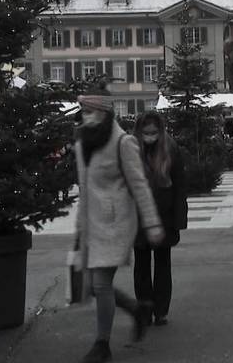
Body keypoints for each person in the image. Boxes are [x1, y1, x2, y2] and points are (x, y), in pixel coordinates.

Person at [74, 95, 165, 363]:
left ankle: (102, 344)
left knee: (100, 284)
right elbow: (84, 188)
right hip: (91, 224)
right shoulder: (84, 143)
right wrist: (80, 227)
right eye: (83, 111)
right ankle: (136, 309)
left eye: (90, 111)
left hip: (116, 224)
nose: (86, 116)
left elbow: (139, 186)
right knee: (90, 286)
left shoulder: (123, 142)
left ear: (104, 113)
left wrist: (152, 223)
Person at [132, 111, 188, 328]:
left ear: (160, 131)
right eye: (146, 132)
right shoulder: (132, 149)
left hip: (165, 217)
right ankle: (145, 309)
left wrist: (179, 219)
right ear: (140, 131)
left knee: (163, 265)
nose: (150, 136)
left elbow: (180, 185)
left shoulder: (171, 148)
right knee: (142, 266)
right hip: (139, 217)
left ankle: (161, 311)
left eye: (154, 132)